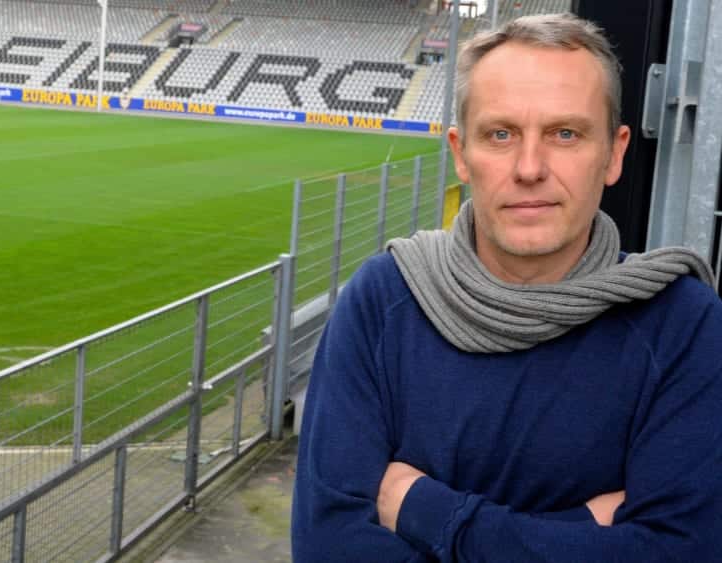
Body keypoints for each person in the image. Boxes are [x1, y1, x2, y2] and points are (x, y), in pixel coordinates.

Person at [292, 12, 722, 563]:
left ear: (614, 154)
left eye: (565, 133)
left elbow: (678, 554)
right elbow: (330, 549)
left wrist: (427, 511)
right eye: (501, 134)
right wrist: (579, 532)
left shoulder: (681, 324)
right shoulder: (383, 302)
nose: (529, 167)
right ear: (460, 152)